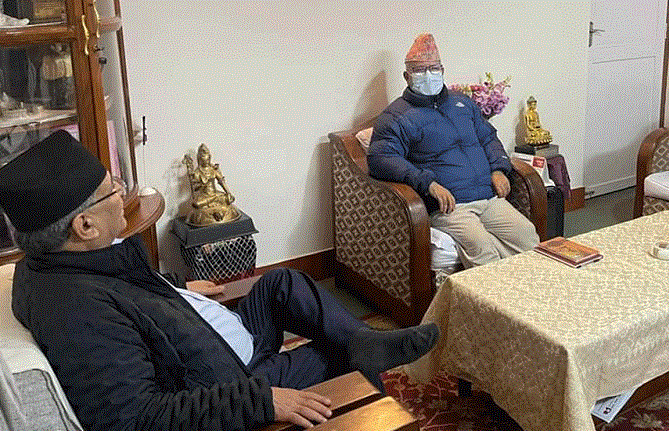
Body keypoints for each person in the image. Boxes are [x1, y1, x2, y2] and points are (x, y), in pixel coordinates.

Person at [0, 130, 438, 431]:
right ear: (85, 226)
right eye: (112, 190)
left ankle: (362, 340)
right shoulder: (78, 313)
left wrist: (174, 287)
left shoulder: (53, 264)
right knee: (340, 356)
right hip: (233, 381)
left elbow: (127, 296)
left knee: (281, 282)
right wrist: (262, 401)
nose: (122, 191)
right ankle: (364, 369)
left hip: (215, 341)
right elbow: (136, 419)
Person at [367, 33, 540, 268]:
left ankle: (528, 286)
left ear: (442, 70)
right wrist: (428, 184)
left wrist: (499, 169)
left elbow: (488, 137)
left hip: (488, 197)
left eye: (434, 68)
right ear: (407, 77)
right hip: (450, 206)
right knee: (481, 247)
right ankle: (488, 291)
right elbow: (381, 158)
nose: (428, 75)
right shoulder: (395, 116)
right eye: (420, 70)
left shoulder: (463, 103)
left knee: (527, 236)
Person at [183, 143, 240, 225]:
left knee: (228, 199)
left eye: (207, 160)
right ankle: (212, 202)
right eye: (204, 161)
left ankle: (213, 203)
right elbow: (195, 188)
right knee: (196, 204)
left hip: (215, 194)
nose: (206, 162)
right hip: (205, 196)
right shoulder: (197, 172)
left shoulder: (213, 169)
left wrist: (228, 193)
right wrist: (201, 185)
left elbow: (221, 182)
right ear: (200, 161)